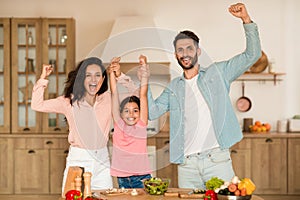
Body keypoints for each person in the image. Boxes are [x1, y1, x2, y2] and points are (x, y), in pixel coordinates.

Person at [146, 3, 262, 189]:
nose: (185, 54)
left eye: (189, 48)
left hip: (217, 161)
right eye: (180, 50)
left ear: (198, 51)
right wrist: (145, 83)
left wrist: (246, 20)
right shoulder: (174, 87)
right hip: (187, 166)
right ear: (176, 55)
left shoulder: (219, 72)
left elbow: (252, 55)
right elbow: (151, 113)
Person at [31, 57, 137, 192]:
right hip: (78, 159)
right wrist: (43, 78)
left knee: (104, 197)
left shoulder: (109, 99)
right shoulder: (68, 101)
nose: (93, 80)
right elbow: (37, 104)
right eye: (88, 75)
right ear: (82, 79)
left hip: (102, 160)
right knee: (72, 196)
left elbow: (136, 94)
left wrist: (119, 76)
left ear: (103, 79)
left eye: (98, 75)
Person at [109, 55, 152, 188]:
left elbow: (143, 94)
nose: (131, 114)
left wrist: (144, 67)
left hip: (142, 177)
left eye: (135, 110)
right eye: (126, 111)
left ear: (140, 113)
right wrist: (112, 70)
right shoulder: (118, 124)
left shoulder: (141, 124)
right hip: (122, 178)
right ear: (121, 114)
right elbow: (114, 92)